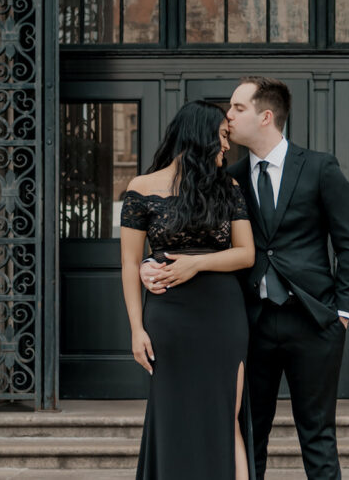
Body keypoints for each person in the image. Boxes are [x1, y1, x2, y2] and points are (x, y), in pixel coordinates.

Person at [143, 77, 349, 480]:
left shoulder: (319, 167)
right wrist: (151, 264)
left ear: (266, 116)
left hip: (314, 323)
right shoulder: (227, 178)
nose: (227, 116)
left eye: (237, 108)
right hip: (250, 323)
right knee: (250, 433)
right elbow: (194, 236)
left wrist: (343, 315)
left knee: (317, 436)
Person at [120, 100, 256, 480]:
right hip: (169, 317)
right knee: (174, 415)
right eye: (222, 137)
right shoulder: (141, 189)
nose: (227, 146)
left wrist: (196, 263)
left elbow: (246, 254)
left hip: (222, 315)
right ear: (199, 137)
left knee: (225, 415)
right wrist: (136, 329)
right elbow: (130, 263)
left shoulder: (228, 187)